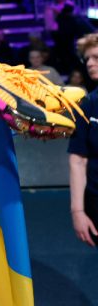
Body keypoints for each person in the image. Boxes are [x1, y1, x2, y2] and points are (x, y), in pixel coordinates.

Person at [68, 33, 98, 247]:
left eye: (96, 57)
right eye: (87, 58)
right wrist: (77, 211)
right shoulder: (87, 104)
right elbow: (78, 161)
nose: (89, 63)